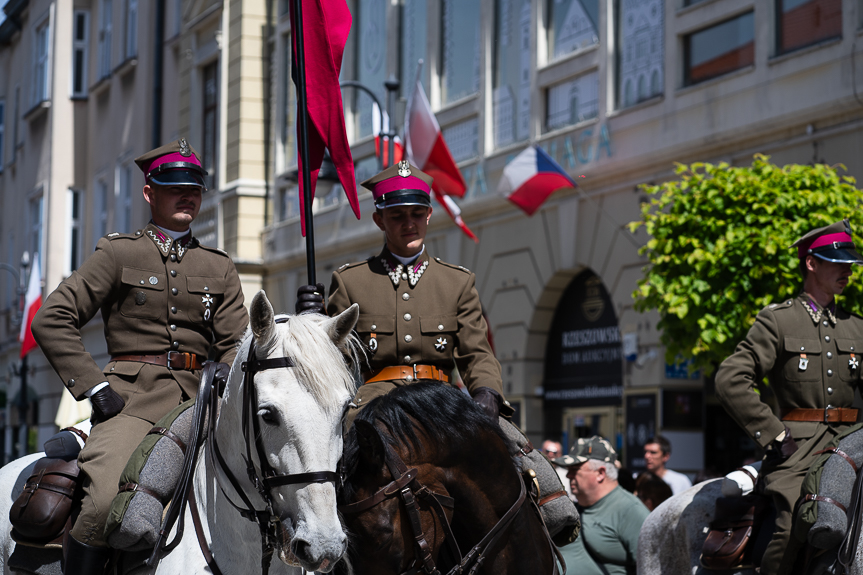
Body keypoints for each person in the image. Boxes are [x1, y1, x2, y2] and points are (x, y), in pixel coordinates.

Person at [32, 139, 248, 574]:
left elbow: (234, 343)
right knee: (103, 502)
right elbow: (52, 317)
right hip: (132, 403)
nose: (187, 195)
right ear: (150, 193)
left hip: (202, 406)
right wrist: (93, 386)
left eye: (195, 188)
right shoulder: (118, 252)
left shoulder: (219, 266)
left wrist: (226, 372)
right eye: (174, 188)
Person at [299, 160, 512, 424]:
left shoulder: (457, 282)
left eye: (417, 213)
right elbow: (334, 359)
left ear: (429, 214)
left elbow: (477, 354)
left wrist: (487, 392)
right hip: (373, 410)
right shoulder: (350, 281)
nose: (409, 223)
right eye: (397, 215)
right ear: (379, 220)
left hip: (442, 404)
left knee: (520, 455)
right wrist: (314, 323)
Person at [715, 219, 863, 575]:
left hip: (854, 441)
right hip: (800, 448)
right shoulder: (779, 321)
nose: (847, 272)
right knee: (794, 520)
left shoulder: (857, 326)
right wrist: (775, 434)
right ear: (811, 263)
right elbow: (730, 378)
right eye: (837, 263)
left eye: (850, 265)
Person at [554, 436, 649, 575]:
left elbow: (653, 568)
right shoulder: (573, 508)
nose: (568, 475)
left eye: (575, 469)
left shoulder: (631, 510)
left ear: (600, 473)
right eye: (568, 469)